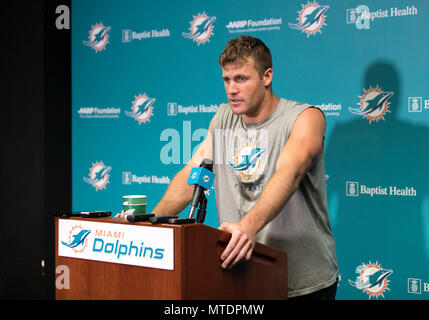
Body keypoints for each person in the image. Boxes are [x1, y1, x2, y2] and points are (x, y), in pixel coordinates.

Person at [151, 35, 338, 299]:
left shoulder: (305, 118)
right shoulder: (223, 118)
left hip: (301, 283)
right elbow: (195, 174)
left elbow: (290, 172)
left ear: (267, 76)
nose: (231, 89)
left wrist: (249, 225)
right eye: (227, 80)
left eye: (241, 79)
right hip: (245, 275)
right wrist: (148, 224)